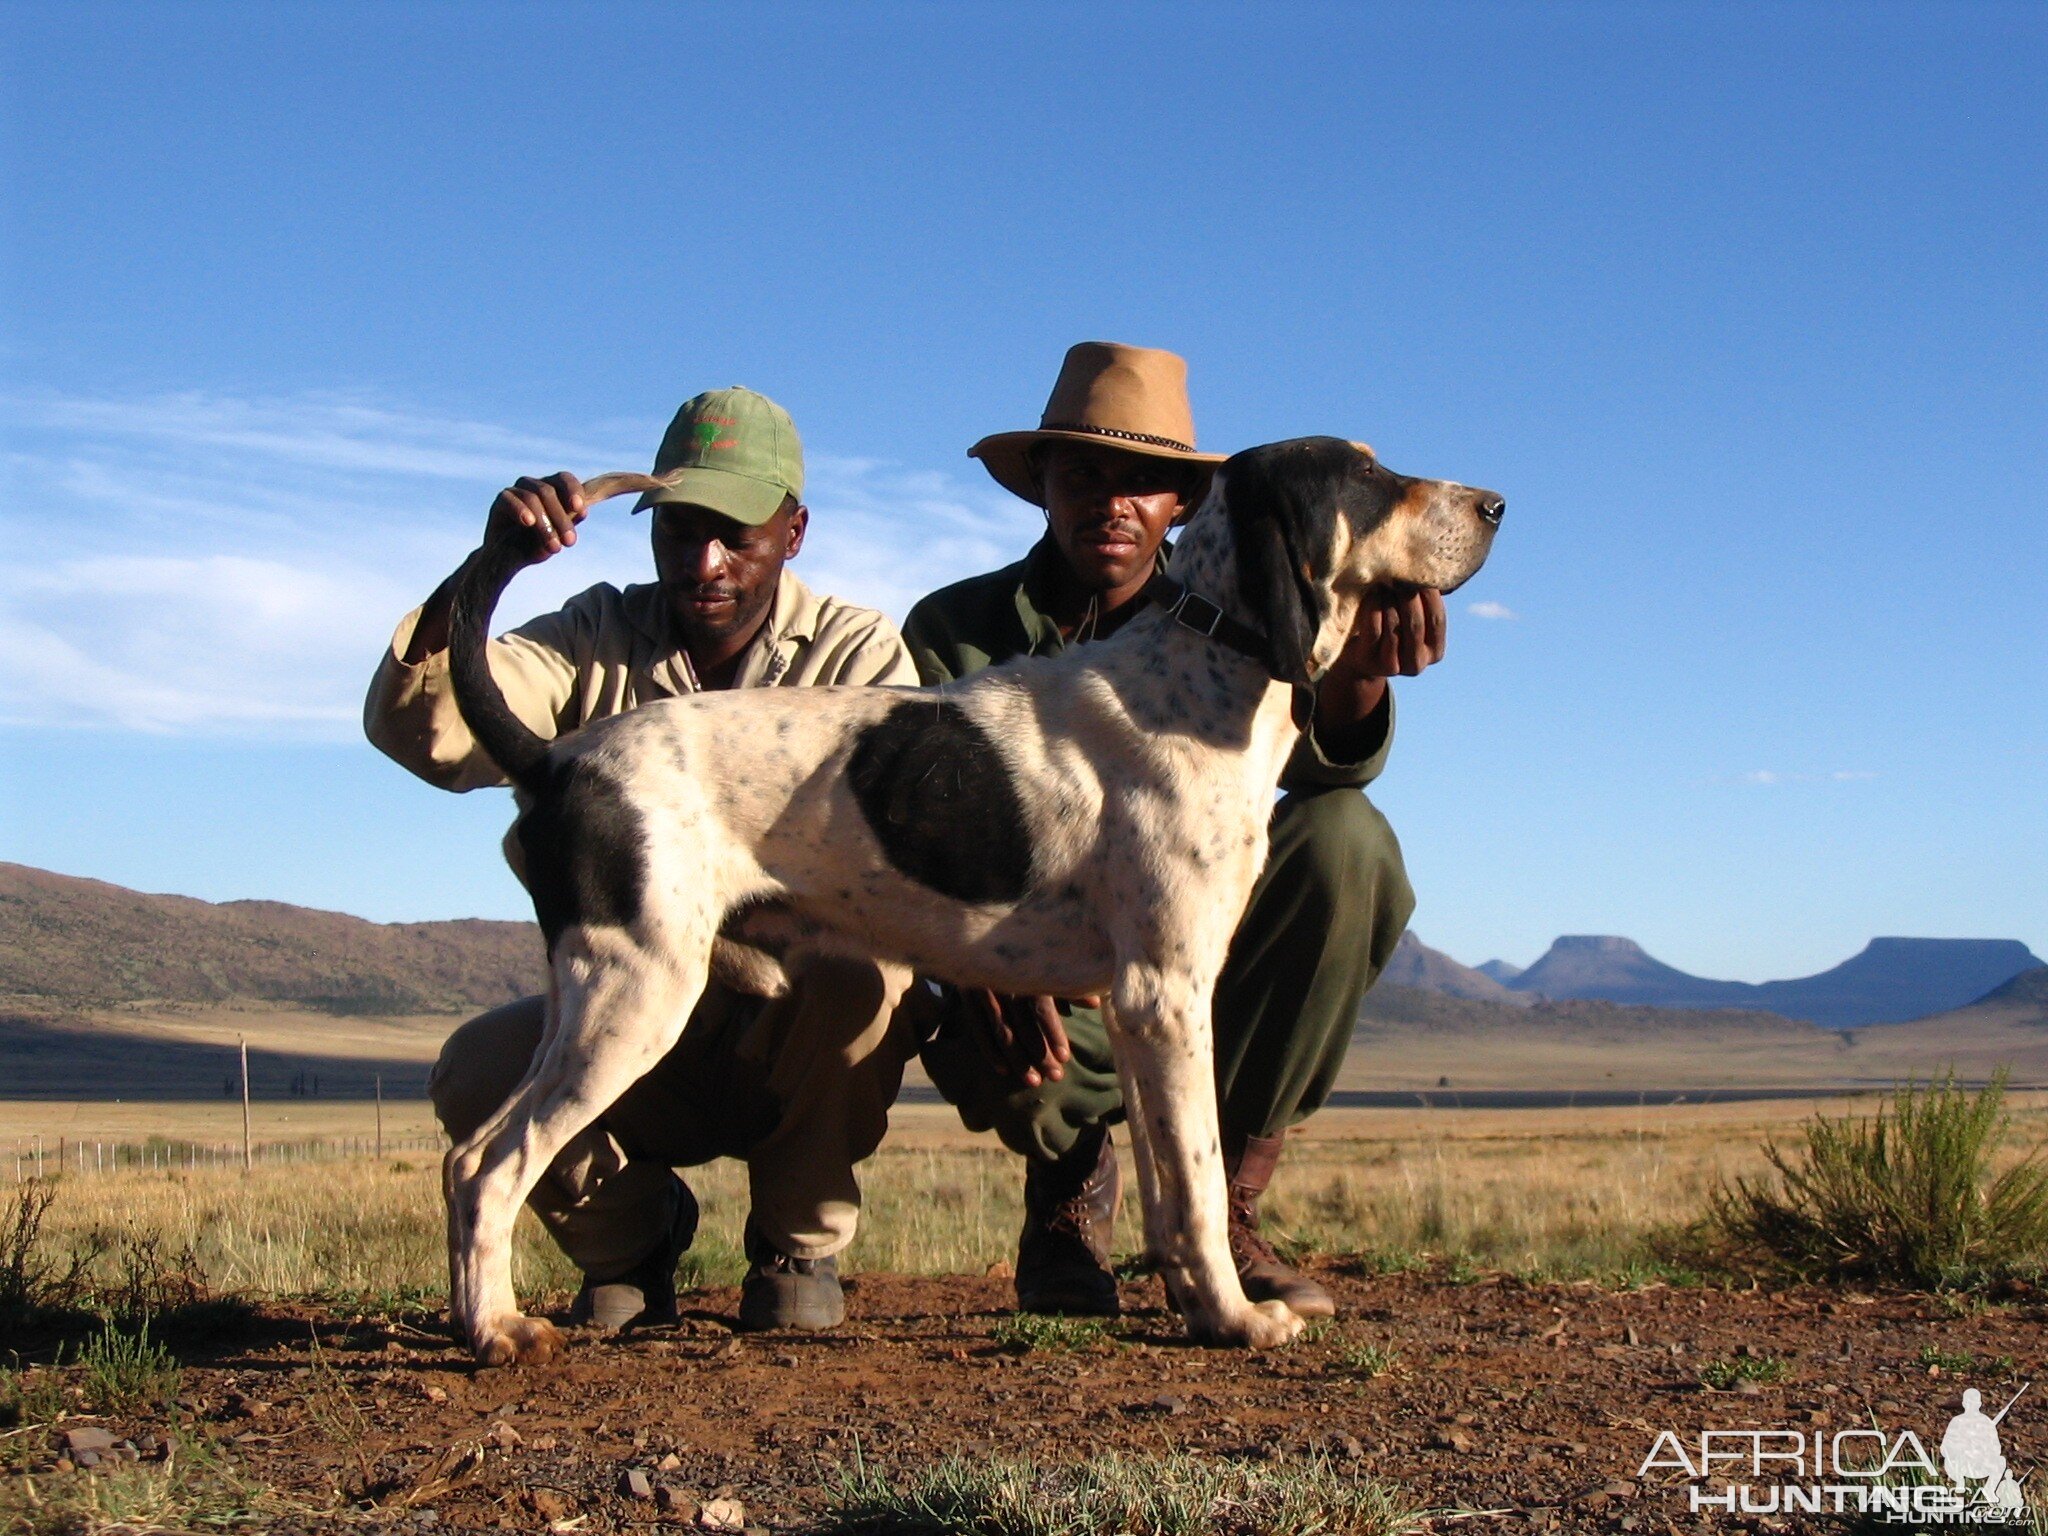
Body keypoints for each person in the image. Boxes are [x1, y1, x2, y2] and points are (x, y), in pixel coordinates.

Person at [365, 387, 921, 1333]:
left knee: (864, 977)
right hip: (630, 1015)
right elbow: (431, 735)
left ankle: (796, 1244)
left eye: (735, 534)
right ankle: (631, 1242)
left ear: (794, 531)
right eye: (677, 533)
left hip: (782, 1021)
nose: (702, 562)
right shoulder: (590, 635)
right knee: (474, 1074)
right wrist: (484, 569)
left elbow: (894, 854)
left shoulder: (856, 651)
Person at [904, 342, 1437, 1319]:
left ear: (1180, 505)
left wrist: (1358, 666)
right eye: (1084, 476)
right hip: (1037, 948)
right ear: (1043, 490)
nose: (1112, 503)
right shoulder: (954, 627)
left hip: (1195, 938)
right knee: (1009, 978)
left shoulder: (1253, 602)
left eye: (1141, 482)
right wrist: (969, 968)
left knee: (1347, 844)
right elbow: (910, 823)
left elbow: (1330, 771)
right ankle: (1070, 1196)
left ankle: (1222, 1207)